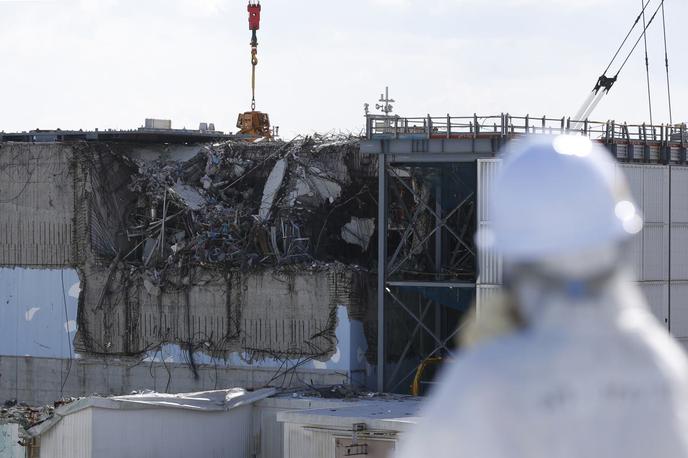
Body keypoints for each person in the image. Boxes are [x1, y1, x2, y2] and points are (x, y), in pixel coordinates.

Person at [395, 134, 688, 458]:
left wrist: (482, 360)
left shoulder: (485, 383)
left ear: (513, 257)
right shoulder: (662, 365)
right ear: (620, 243)